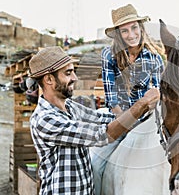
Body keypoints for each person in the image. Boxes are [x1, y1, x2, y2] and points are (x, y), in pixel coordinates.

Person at [28, 46, 159, 195]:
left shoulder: (70, 107)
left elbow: (104, 119)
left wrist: (145, 114)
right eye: (68, 73)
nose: (75, 78)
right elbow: (103, 134)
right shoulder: (44, 119)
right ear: (49, 79)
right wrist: (141, 104)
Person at [90, 3, 165, 194]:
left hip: (147, 120)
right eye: (124, 31)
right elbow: (111, 99)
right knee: (96, 166)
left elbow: (157, 94)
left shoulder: (154, 58)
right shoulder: (109, 55)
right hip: (118, 119)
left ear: (141, 27)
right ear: (118, 34)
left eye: (134, 28)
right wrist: (127, 122)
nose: (131, 34)